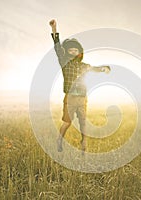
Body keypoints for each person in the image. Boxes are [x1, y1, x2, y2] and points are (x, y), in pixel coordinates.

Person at [49, 19, 111, 153]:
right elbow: (57, 47)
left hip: (82, 98)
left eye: (75, 50)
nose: (72, 52)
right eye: (70, 50)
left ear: (80, 52)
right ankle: (60, 139)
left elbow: (94, 68)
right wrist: (54, 29)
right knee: (67, 122)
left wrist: (104, 68)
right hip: (70, 98)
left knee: (83, 123)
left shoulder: (84, 66)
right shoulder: (64, 62)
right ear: (67, 52)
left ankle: (83, 143)